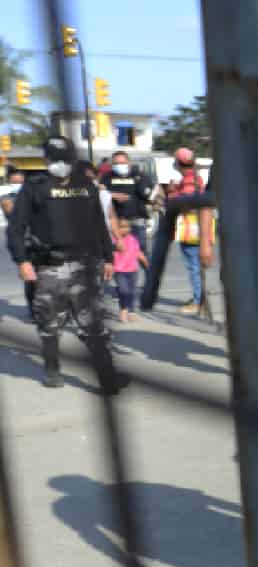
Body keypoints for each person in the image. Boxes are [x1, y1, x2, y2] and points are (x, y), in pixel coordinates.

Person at [6, 136, 129, 393]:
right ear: (46, 159)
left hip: (85, 266)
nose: (60, 164)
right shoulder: (35, 187)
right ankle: (52, 370)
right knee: (49, 324)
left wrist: (108, 257)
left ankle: (108, 380)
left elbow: (98, 225)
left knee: (94, 326)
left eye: (65, 160)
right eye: (55, 159)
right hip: (48, 266)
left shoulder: (86, 186)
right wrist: (22, 261)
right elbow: (16, 227)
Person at [168, 148, 207, 315]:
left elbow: (187, 204)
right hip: (194, 227)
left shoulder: (190, 181)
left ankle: (199, 302)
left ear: (179, 163)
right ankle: (199, 298)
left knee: (194, 266)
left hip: (192, 229)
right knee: (195, 266)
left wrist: (171, 193)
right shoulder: (192, 179)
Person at [102, 151, 155, 263]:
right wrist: (113, 195)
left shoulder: (139, 175)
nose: (119, 166)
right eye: (116, 163)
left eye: (122, 162)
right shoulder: (107, 177)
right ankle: (124, 274)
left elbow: (151, 193)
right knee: (117, 251)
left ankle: (151, 277)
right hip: (117, 221)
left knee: (141, 250)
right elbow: (100, 192)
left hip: (136, 218)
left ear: (129, 163)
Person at [1, 169, 35, 319]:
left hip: (39, 240)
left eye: (20, 182)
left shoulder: (33, 196)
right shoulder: (7, 197)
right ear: (9, 182)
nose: (18, 185)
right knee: (31, 278)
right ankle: (34, 308)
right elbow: (10, 211)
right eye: (14, 182)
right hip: (22, 242)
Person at [111, 218, 148, 323]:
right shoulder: (114, 240)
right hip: (119, 270)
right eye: (122, 227)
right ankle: (123, 309)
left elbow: (138, 253)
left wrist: (145, 262)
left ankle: (131, 311)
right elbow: (108, 252)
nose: (125, 229)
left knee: (131, 292)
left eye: (127, 227)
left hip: (133, 270)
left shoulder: (133, 239)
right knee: (124, 290)